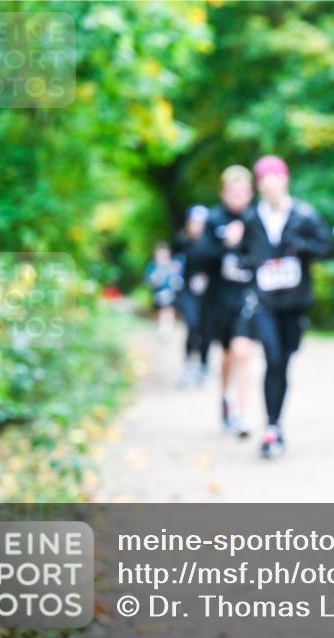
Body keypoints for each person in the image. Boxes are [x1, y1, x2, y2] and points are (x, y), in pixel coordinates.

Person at [249, 155, 331, 459]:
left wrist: (300, 246)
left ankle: (276, 423)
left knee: (283, 360)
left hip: (295, 303)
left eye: (275, 178)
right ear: (259, 186)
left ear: (284, 180)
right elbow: (241, 255)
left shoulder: (304, 214)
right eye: (264, 180)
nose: (270, 185)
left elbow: (326, 248)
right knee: (271, 357)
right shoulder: (250, 219)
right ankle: (271, 427)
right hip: (264, 301)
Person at [195, 166, 262, 438]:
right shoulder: (213, 220)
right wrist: (226, 243)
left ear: (250, 193)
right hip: (219, 299)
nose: (238, 196)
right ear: (224, 193)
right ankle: (226, 397)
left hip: (248, 296)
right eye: (232, 191)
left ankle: (243, 414)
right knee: (226, 355)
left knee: (243, 352)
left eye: (243, 192)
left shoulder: (257, 219)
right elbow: (199, 256)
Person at [173, 204, 211, 387]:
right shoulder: (182, 242)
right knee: (193, 326)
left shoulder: (212, 244)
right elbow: (175, 267)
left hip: (208, 294)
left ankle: (204, 365)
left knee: (206, 329)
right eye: (194, 222)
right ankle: (189, 365)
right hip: (187, 292)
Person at [145, 241, 181, 341]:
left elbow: (177, 279)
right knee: (161, 308)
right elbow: (149, 281)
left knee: (169, 308)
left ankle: (168, 327)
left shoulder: (173, 265)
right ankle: (162, 326)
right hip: (158, 293)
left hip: (171, 293)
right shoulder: (152, 266)